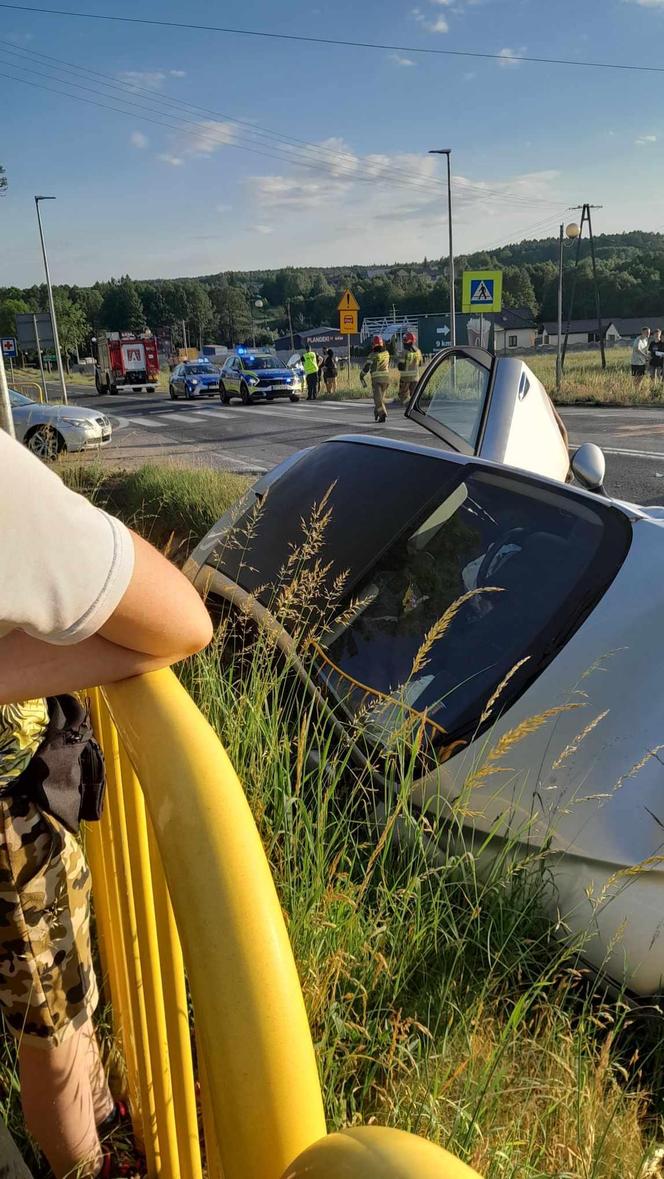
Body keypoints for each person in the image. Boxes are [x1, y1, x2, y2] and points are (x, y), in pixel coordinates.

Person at [0, 429, 212, 1179]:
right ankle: (90, 1168)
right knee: (51, 1030)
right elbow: (185, 620)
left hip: (25, 810)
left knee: (66, 1002)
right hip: (10, 827)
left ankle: (100, 1126)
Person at [360, 335, 391, 423]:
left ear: (373, 345)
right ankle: (377, 411)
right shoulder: (387, 353)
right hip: (386, 379)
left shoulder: (372, 355)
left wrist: (361, 375)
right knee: (380, 399)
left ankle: (382, 414)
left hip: (377, 380)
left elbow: (367, 367)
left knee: (377, 399)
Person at [396, 331, 424, 404]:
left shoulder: (403, 352)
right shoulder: (418, 351)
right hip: (415, 378)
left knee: (403, 395)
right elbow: (421, 363)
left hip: (405, 378)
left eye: (404, 340)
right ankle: (414, 407)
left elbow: (401, 367)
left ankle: (407, 406)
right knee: (414, 395)